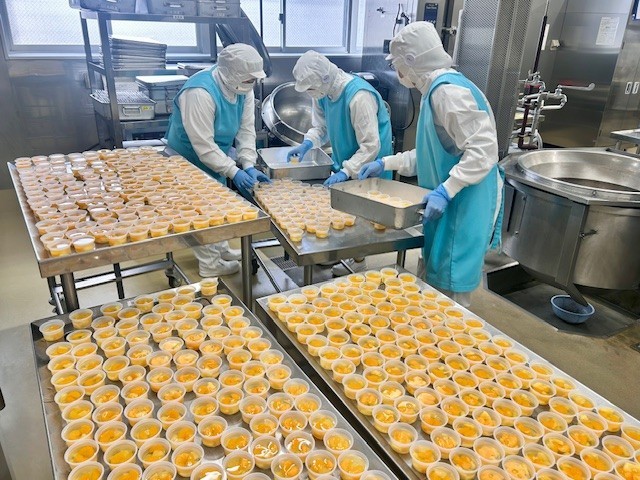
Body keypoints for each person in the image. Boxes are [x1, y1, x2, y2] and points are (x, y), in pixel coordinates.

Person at [359, 22, 504, 307]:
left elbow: (484, 151)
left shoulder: (447, 92)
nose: (398, 72)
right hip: (452, 200)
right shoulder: (435, 90)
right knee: (435, 282)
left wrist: (446, 190)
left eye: (397, 65)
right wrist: (386, 162)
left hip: (465, 202)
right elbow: (429, 154)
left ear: (411, 61)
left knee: (450, 293)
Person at [166, 43, 270, 277]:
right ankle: (210, 264)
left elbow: (246, 130)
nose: (252, 83)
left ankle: (220, 248)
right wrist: (234, 171)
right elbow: (203, 146)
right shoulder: (199, 92)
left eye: (253, 80)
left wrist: (248, 164)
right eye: (249, 79)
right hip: (187, 157)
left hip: (217, 154)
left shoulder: (243, 86)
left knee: (216, 205)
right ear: (231, 74)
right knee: (199, 209)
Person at [288, 50, 394, 276]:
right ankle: (344, 254)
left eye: (310, 88)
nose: (309, 93)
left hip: (369, 164)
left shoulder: (358, 96)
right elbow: (321, 127)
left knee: (364, 217)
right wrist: (307, 143)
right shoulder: (322, 93)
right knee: (346, 211)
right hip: (346, 160)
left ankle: (358, 261)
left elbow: (370, 146)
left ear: (324, 79)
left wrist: (347, 171)